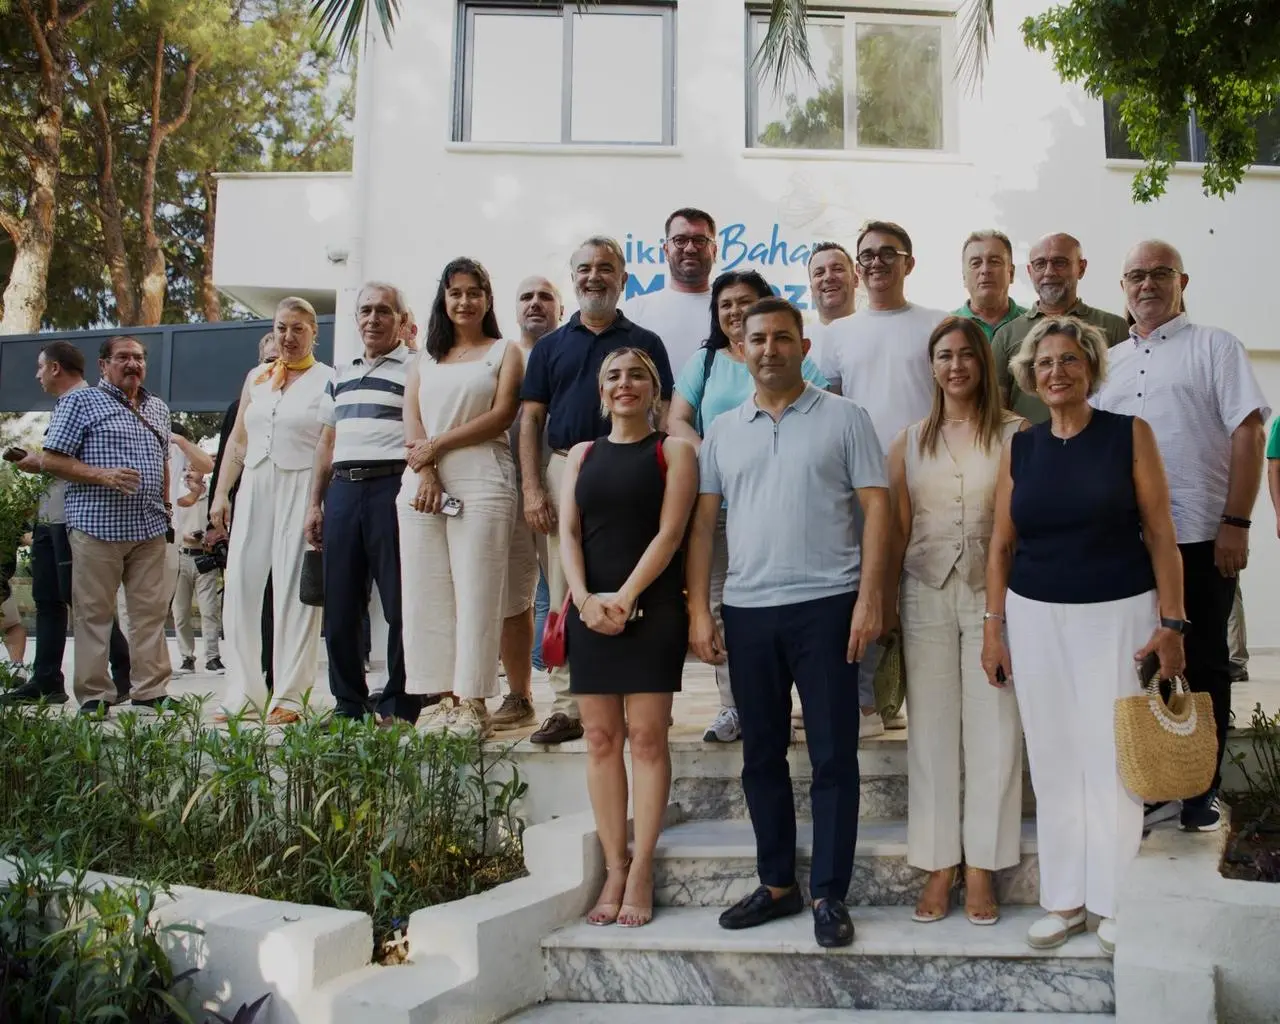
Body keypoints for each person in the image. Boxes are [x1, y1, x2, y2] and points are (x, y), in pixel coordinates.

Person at [982, 317, 1186, 957]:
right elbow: (1001, 544)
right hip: (1035, 616)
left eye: (1070, 359)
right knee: (1052, 755)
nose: (1057, 372)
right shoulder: (1022, 447)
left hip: (1118, 612)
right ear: (1030, 377)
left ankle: (1114, 900)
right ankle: (1064, 901)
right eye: (1045, 363)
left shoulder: (1129, 434)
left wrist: (1172, 623)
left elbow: (1162, 533)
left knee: (1113, 755)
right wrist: (994, 628)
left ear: (1092, 369)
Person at [689, 297, 890, 949]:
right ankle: (777, 885)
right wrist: (699, 608)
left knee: (834, 755)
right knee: (760, 756)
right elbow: (703, 526)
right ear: (740, 349)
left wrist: (870, 597)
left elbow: (878, 510)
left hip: (828, 605)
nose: (769, 349)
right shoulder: (723, 430)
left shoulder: (846, 418)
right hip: (748, 611)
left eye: (782, 338)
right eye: (758, 339)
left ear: (804, 348)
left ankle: (829, 894)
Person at [1092, 240, 1269, 832]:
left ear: (1182, 281)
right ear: (1123, 287)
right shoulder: (1108, 362)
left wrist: (1236, 522)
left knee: (1206, 660)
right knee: (1136, 658)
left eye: (1159, 273)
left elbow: (1249, 434)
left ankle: (1199, 789)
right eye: (1135, 276)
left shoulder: (1216, 347)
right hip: (1126, 543)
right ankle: (1149, 780)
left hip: (1200, 535)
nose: (1147, 284)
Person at [885, 316, 1025, 926]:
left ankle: (984, 865)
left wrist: (999, 612)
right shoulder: (908, 441)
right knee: (932, 731)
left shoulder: (1016, 434)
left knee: (995, 727)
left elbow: (1018, 526)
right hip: (924, 591)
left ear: (983, 363)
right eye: (944, 355)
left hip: (998, 597)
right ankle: (939, 862)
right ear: (932, 366)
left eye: (966, 354)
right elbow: (895, 529)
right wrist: (882, 602)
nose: (956, 365)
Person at [519, 236, 675, 745]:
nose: (594, 276)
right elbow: (531, 419)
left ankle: (644, 696)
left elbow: (664, 411)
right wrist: (533, 488)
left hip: (634, 469)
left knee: (638, 578)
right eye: (584, 268)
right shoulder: (549, 347)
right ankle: (568, 705)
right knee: (567, 589)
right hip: (566, 466)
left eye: (605, 268)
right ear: (574, 279)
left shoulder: (646, 342)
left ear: (622, 278)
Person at [560, 348, 697, 927]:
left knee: (646, 739)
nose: (625, 384)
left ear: (654, 389)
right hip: (590, 612)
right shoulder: (581, 455)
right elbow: (568, 533)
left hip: (652, 610)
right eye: (614, 376)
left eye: (637, 375)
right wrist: (584, 600)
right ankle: (614, 867)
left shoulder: (675, 452)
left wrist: (626, 595)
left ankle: (641, 867)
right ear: (601, 392)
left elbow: (670, 534)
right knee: (599, 739)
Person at [667, 270, 827, 742]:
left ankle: (797, 701)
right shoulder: (705, 362)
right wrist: (716, 457)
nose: (735, 311)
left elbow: (822, 409)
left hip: (786, 504)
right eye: (726, 304)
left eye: (745, 301)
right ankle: (732, 706)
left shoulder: (791, 359)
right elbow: (677, 419)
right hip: (719, 507)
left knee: (791, 605)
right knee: (722, 606)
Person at [819, 220, 947, 736]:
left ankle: (919, 699)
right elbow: (827, 407)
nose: (876, 263)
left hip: (928, 478)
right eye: (867, 255)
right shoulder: (837, 334)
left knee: (923, 586)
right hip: (859, 483)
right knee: (865, 586)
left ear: (908, 263)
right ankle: (868, 702)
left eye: (887, 253)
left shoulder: (936, 324)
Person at [399, 258, 523, 738]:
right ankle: (438, 699)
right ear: (443, 300)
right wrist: (427, 468)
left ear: (488, 300)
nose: (465, 301)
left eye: (474, 292)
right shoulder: (424, 359)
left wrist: (438, 445)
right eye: (456, 293)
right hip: (422, 485)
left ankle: (473, 700)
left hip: (482, 479)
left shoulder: (504, 352)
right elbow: (412, 419)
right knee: (426, 594)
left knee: (477, 591)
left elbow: (502, 415)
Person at [305, 281, 421, 725]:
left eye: (384, 310)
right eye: (366, 310)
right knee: (340, 605)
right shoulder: (339, 373)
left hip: (392, 487)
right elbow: (326, 442)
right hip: (343, 491)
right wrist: (314, 504)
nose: (373, 318)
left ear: (401, 320)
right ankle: (348, 704)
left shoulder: (416, 368)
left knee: (400, 603)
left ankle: (400, 702)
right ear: (356, 319)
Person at [211, 298, 331, 724]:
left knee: (295, 591)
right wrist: (221, 494)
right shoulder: (257, 377)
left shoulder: (328, 379)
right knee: (241, 586)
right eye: (282, 327)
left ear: (314, 332)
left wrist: (318, 502)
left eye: (298, 328)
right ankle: (243, 693)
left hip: (301, 485)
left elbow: (327, 444)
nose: (288, 336)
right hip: (255, 484)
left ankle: (291, 696)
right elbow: (238, 441)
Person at [41, 336, 174, 716]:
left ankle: (151, 690)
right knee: (94, 614)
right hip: (97, 528)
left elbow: (163, 460)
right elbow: (51, 459)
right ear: (103, 365)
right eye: (123, 357)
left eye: (138, 357)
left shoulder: (158, 407)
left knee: (150, 614)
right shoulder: (80, 402)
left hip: (149, 528)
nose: (132, 364)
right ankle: (95, 695)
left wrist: (166, 507)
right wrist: (102, 475)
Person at [1, 342, 132, 705]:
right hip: (49, 517)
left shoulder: (90, 402)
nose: (37, 375)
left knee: (85, 601)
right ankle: (46, 680)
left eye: (40, 367)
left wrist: (38, 462)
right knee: (47, 600)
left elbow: (83, 464)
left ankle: (125, 675)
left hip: (74, 520)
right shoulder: (64, 405)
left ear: (56, 368)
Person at [493, 275, 564, 731]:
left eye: (545, 297)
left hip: (559, 486)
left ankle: (568, 699)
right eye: (526, 297)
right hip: (504, 488)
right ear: (514, 308)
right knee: (511, 598)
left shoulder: (568, 351)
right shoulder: (502, 356)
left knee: (564, 593)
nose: (535, 304)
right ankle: (519, 695)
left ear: (561, 308)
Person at [992, 233, 1128, 424]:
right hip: (1028, 442)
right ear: (1030, 271)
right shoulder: (1006, 335)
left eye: (1060, 263)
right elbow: (996, 409)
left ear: (1081, 268)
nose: (1049, 272)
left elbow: (1128, 396)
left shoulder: (1114, 328)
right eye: (1040, 264)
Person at [208, 331, 277, 692]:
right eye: (268, 360)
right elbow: (229, 451)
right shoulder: (243, 403)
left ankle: (275, 674)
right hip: (248, 505)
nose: (275, 365)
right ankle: (246, 677)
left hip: (290, 504)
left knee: (281, 595)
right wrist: (217, 507)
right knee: (245, 588)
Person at [624, 207, 717, 374]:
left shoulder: (731, 312)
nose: (690, 248)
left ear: (714, 251)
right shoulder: (635, 311)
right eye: (680, 240)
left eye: (700, 240)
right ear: (666, 250)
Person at [171, 467, 223, 674]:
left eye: (194, 468)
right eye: (186, 468)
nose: (189, 472)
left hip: (205, 558)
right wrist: (184, 536)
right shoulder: (178, 496)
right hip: (181, 556)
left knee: (209, 610)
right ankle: (186, 657)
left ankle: (213, 657)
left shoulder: (213, 497)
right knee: (180, 612)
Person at [953, 230, 1026, 340]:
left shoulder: (1035, 327)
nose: (985, 270)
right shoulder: (945, 328)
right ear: (964, 277)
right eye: (976, 263)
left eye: (994, 261)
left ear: (1011, 273)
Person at [804, 241, 857, 372]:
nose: (828, 277)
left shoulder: (875, 334)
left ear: (855, 279)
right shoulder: (798, 342)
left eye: (837, 269)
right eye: (819, 273)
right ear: (811, 289)